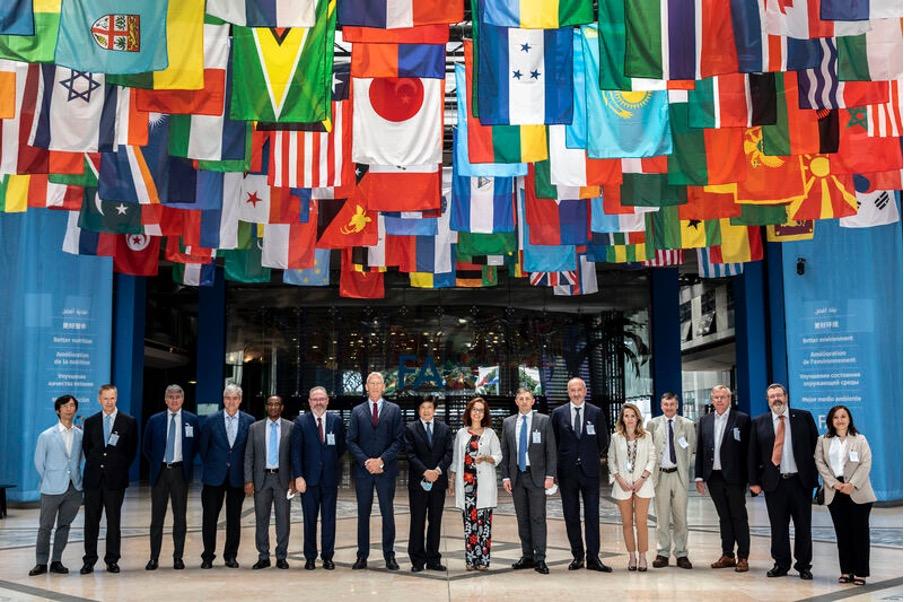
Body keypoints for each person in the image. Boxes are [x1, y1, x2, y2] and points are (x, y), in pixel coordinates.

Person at [749, 383, 818, 580]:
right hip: (774, 484)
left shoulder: (804, 417)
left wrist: (816, 477)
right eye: (772, 396)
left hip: (800, 482)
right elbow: (752, 454)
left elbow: (816, 448)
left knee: (803, 526)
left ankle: (804, 565)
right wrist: (753, 481)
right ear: (767, 400)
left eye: (779, 395)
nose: (776, 399)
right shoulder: (759, 422)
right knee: (778, 527)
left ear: (786, 397)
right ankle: (781, 564)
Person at [550, 377, 612, 572]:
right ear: (568, 393)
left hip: (590, 472)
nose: (576, 393)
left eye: (579, 390)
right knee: (571, 515)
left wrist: (588, 455)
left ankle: (593, 558)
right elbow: (554, 443)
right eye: (572, 390)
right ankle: (577, 556)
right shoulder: (558, 414)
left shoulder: (596, 413)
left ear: (585, 391)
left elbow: (603, 440)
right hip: (567, 472)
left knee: (592, 515)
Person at [346, 372, 404, 570]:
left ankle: (390, 555)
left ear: (384, 386)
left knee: (388, 514)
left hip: (385, 471)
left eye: (379, 383)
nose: (376, 386)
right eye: (372, 383)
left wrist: (381, 461)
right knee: (363, 514)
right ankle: (362, 555)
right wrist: (366, 462)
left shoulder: (394, 410)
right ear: (366, 386)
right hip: (363, 472)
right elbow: (351, 440)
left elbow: (398, 440)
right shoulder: (357, 411)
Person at [814, 405, 876, 586]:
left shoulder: (860, 439)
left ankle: (861, 572)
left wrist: (852, 484)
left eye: (843, 416)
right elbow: (820, 463)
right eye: (836, 417)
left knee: (860, 533)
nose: (840, 420)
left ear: (849, 419)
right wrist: (834, 483)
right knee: (843, 534)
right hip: (835, 491)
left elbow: (866, 463)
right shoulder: (823, 440)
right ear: (831, 421)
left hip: (858, 490)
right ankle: (846, 571)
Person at [80, 384, 138, 575]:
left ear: (116, 398)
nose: (109, 402)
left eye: (112, 398)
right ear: (99, 399)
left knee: (114, 522)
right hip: (93, 480)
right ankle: (89, 560)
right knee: (91, 522)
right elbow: (87, 449)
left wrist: (117, 467)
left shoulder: (128, 421)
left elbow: (131, 451)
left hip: (116, 481)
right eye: (105, 398)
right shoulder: (90, 422)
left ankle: (112, 560)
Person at [142, 385, 200, 571]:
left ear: (182, 399)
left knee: (180, 517)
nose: (174, 400)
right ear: (165, 399)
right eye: (171, 397)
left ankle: (178, 557)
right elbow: (147, 447)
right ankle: (154, 558)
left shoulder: (192, 420)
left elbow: (196, 446)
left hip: (180, 474)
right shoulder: (154, 420)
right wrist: (159, 463)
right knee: (156, 518)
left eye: (177, 397)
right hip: (160, 473)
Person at [694, 385, 751, 572]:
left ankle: (743, 556)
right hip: (714, 477)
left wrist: (751, 478)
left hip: (735, 477)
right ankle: (727, 555)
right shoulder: (705, 420)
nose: (719, 400)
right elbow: (701, 449)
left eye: (723, 397)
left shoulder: (741, 419)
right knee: (723, 517)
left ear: (729, 399)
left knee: (738, 516)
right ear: (712, 399)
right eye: (716, 397)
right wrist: (699, 476)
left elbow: (748, 451)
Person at [500, 388, 557, 574]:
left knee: (538, 517)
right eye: (520, 399)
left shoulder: (544, 421)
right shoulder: (508, 423)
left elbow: (551, 450)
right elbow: (505, 452)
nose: (524, 401)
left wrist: (550, 475)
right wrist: (506, 476)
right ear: (516, 401)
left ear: (533, 401)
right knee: (522, 518)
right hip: (516, 476)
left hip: (537, 477)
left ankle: (540, 558)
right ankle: (527, 556)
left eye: (527, 398)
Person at [199, 383, 254, 569]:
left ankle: (230, 556)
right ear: (223, 399)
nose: (231, 402)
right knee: (210, 519)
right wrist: (215, 465)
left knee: (234, 519)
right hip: (214, 477)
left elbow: (250, 452)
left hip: (237, 478)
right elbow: (203, 449)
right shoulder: (210, 420)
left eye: (235, 398)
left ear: (240, 400)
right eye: (228, 398)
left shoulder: (249, 421)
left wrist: (248, 478)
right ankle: (207, 556)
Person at [291, 386, 347, 570]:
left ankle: (328, 557)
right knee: (309, 520)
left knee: (329, 519)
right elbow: (296, 452)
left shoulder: (336, 421)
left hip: (330, 480)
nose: (318, 402)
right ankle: (310, 557)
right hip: (309, 480)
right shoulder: (301, 422)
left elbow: (340, 449)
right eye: (314, 399)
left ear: (328, 401)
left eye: (322, 399)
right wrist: (298, 476)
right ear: (309, 402)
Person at [30, 395, 84, 576]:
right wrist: (51, 478)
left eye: (72, 405)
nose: (69, 409)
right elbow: (39, 462)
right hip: (51, 488)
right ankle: (40, 562)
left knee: (64, 526)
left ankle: (56, 561)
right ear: (58, 410)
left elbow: (80, 459)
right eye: (65, 405)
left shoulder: (80, 435)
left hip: (74, 488)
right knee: (45, 527)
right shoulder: (46, 435)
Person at [448, 397, 502, 571]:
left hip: (484, 485)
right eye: (474, 409)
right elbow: (456, 459)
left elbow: (499, 456)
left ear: (485, 414)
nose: (477, 413)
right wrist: (451, 480)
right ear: (469, 412)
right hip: (466, 486)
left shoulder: (490, 433)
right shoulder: (461, 434)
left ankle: (483, 560)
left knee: (484, 524)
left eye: (481, 410)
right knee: (469, 525)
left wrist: (486, 458)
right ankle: (471, 560)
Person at [647, 392, 696, 570]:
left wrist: (685, 469)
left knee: (681, 518)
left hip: (679, 475)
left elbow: (692, 450)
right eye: (666, 404)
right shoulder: (652, 424)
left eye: (672, 404)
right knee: (662, 517)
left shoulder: (688, 425)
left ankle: (682, 553)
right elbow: (649, 450)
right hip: (660, 475)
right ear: (661, 406)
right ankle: (663, 553)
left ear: (677, 405)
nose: (669, 407)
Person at [404, 396, 453, 572]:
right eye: (423, 407)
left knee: (435, 521)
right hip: (418, 483)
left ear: (434, 409)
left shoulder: (445, 429)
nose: (426, 410)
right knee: (417, 521)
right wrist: (425, 471)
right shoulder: (410, 429)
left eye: (429, 407)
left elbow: (449, 453)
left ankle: (433, 559)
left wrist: (438, 471)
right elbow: (410, 454)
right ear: (419, 410)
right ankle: (417, 560)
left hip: (438, 483)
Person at [244, 395, 294, 570]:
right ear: (266, 407)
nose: (273, 407)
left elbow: (294, 456)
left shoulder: (291, 427)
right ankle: (263, 556)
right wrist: (248, 479)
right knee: (261, 520)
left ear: (282, 407)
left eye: (277, 404)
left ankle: (281, 556)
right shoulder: (254, 428)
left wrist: (293, 479)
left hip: (283, 480)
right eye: (270, 404)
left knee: (283, 520)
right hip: (261, 480)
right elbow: (249, 455)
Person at [608, 402, 656, 572]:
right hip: (623, 486)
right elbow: (611, 459)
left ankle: (643, 556)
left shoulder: (647, 436)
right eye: (626, 416)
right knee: (627, 523)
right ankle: (632, 557)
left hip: (643, 484)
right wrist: (619, 479)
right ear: (622, 418)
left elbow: (652, 458)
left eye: (632, 416)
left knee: (641, 522)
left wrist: (642, 478)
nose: (629, 419)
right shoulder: (616, 437)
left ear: (637, 418)